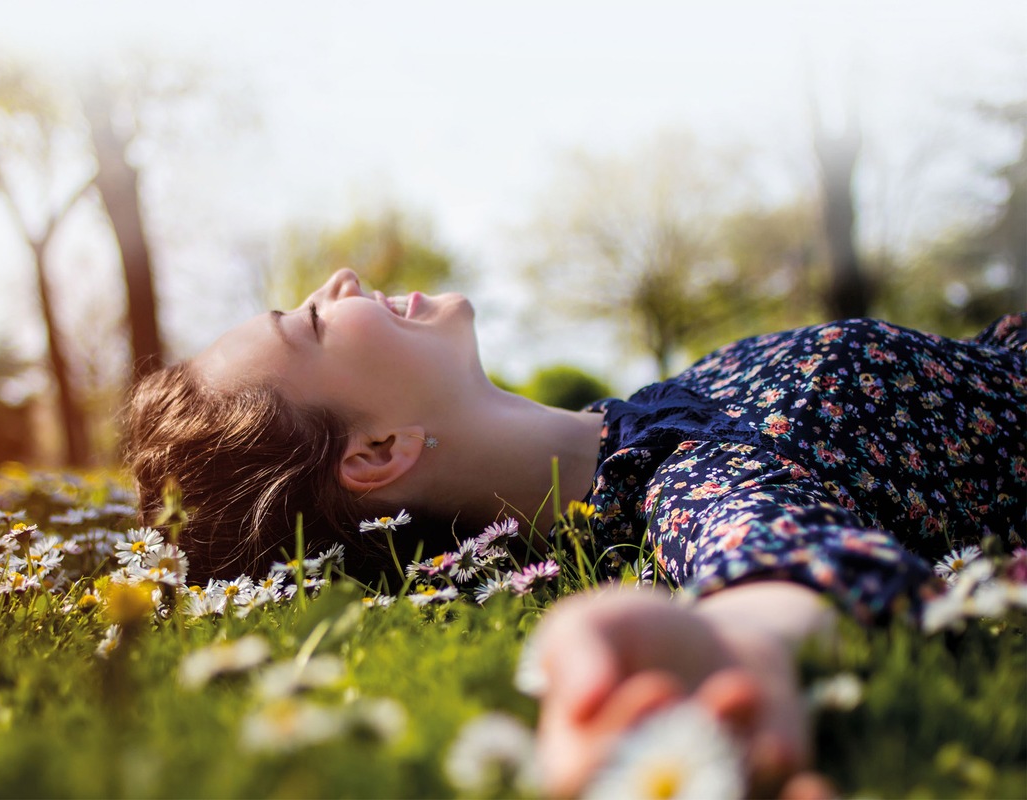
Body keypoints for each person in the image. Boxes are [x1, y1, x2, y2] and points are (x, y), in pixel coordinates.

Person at [124, 268, 1025, 794]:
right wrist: (731, 656)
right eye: (314, 321)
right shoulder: (688, 483)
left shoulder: (655, 417)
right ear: (376, 453)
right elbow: (771, 568)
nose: (342, 281)